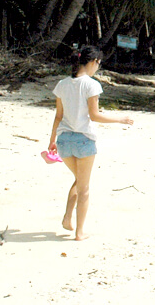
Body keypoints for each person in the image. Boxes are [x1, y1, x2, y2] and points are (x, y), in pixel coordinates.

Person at [46, 45, 134, 240]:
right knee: (84, 187)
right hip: (83, 141)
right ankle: (79, 232)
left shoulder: (62, 84)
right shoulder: (91, 85)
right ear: (93, 62)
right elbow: (94, 116)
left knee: (79, 179)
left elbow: (58, 116)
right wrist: (121, 119)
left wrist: (52, 141)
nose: (97, 67)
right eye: (98, 64)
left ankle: (67, 218)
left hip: (64, 141)